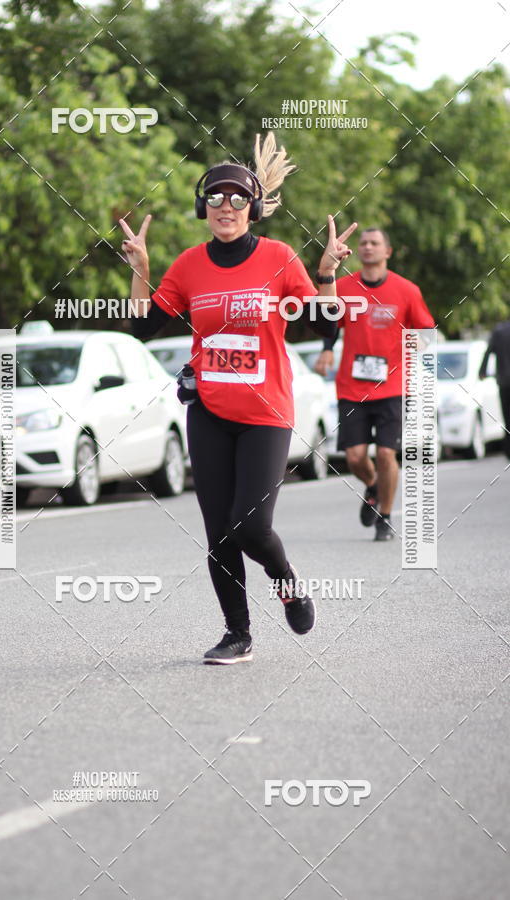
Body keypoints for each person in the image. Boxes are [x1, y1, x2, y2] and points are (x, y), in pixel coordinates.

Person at [119, 131, 356, 664]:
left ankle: (286, 580)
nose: (226, 206)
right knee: (218, 533)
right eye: (216, 197)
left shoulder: (278, 257)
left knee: (249, 525)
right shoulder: (189, 265)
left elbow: (323, 325)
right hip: (208, 410)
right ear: (203, 207)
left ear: (253, 208)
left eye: (238, 198)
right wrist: (140, 271)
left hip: (265, 412)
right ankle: (237, 634)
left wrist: (326, 275)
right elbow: (143, 327)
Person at [314, 227, 435, 541]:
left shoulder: (406, 290)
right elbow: (329, 322)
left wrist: (417, 344)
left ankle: (386, 516)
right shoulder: (344, 287)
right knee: (355, 457)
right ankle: (373, 485)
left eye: (374, 243)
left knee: (385, 454)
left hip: (393, 385)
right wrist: (327, 349)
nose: (368, 247)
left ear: (387, 251)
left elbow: (426, 331)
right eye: (364, 243)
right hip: (351, 387)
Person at [479, 320, 510, 459]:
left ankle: (508, 448)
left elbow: (488, 351)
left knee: (507, 417)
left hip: (504, 381)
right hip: (503, 381)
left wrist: (482, 371)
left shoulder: (498, 331)